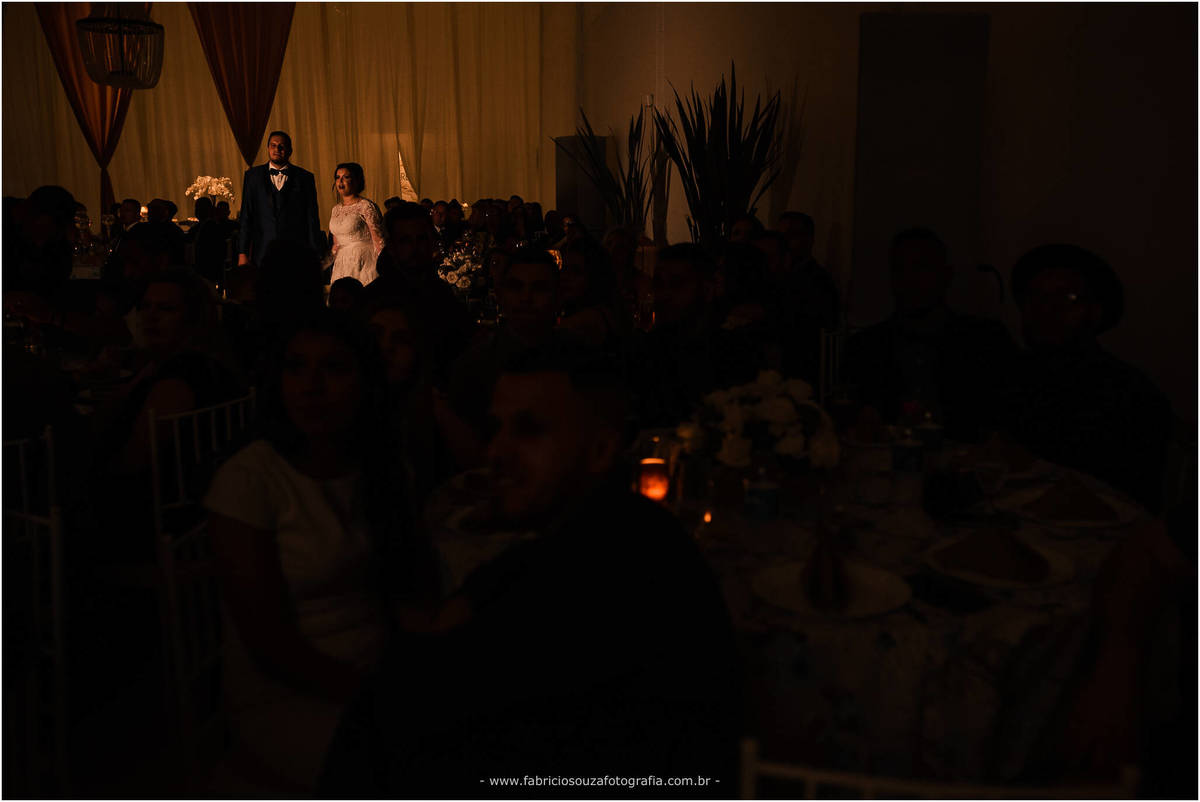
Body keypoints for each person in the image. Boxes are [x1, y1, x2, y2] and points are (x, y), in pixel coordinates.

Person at [320, 339, 738, 797]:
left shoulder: (604, 578)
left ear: (601, 449)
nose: (497, 451)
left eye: (530, 430)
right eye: (496, 429)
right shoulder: (611, 531)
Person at [205, 310, 434, 793]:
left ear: (364, 382)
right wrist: (380, 700)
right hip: (286, 693)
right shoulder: (250, 481)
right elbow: (271, 646)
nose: (311, 386)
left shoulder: (381, 468)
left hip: (379, 669)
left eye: (333, 369)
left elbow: (402, 591)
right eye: (296, 368)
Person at [1002, 244, 1171, 512]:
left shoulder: (1129, 393)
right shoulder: (1009, 375)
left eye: (1068, 298)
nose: (1047, 309)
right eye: (1036, 297)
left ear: (1095, 312)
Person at [843, 227, 1017, 441]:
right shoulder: (863, 348)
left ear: (946, 275)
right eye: (900, 269)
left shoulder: (987, 342)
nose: (910, 279)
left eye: (921, 268)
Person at [630, 243, 764, 426]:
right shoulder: (644, 350)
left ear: (708, 290)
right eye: (659, 284)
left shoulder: (732, 353)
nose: (664, 295)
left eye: (677, 284)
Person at [364, 202, 476, 384]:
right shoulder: (374, 299)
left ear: (432, 242)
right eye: (406, 241)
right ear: (392, 247)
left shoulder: (441, 294)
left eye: (421, 239)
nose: (415, 248)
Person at [237, 130, 323, 266]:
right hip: (262, 251)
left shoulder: (305, 178)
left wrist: (314, 253)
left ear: (290, 150)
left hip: (296, 250)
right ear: (268, 148)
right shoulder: (252, 176)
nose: (277, 149)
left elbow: (311, 218)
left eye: (282, 146)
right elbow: (246, 216)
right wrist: (243, 253)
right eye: (273, 145)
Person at [328, 162, 386, 286]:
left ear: (356, 181)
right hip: (342, 263)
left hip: (364, 261)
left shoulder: (366, 206)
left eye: (346, 177)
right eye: (337, 177)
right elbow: (336, 244)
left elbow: (379, 240)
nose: (340, 181)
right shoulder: (335, 209)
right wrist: (323, 263)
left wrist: (386, 268)